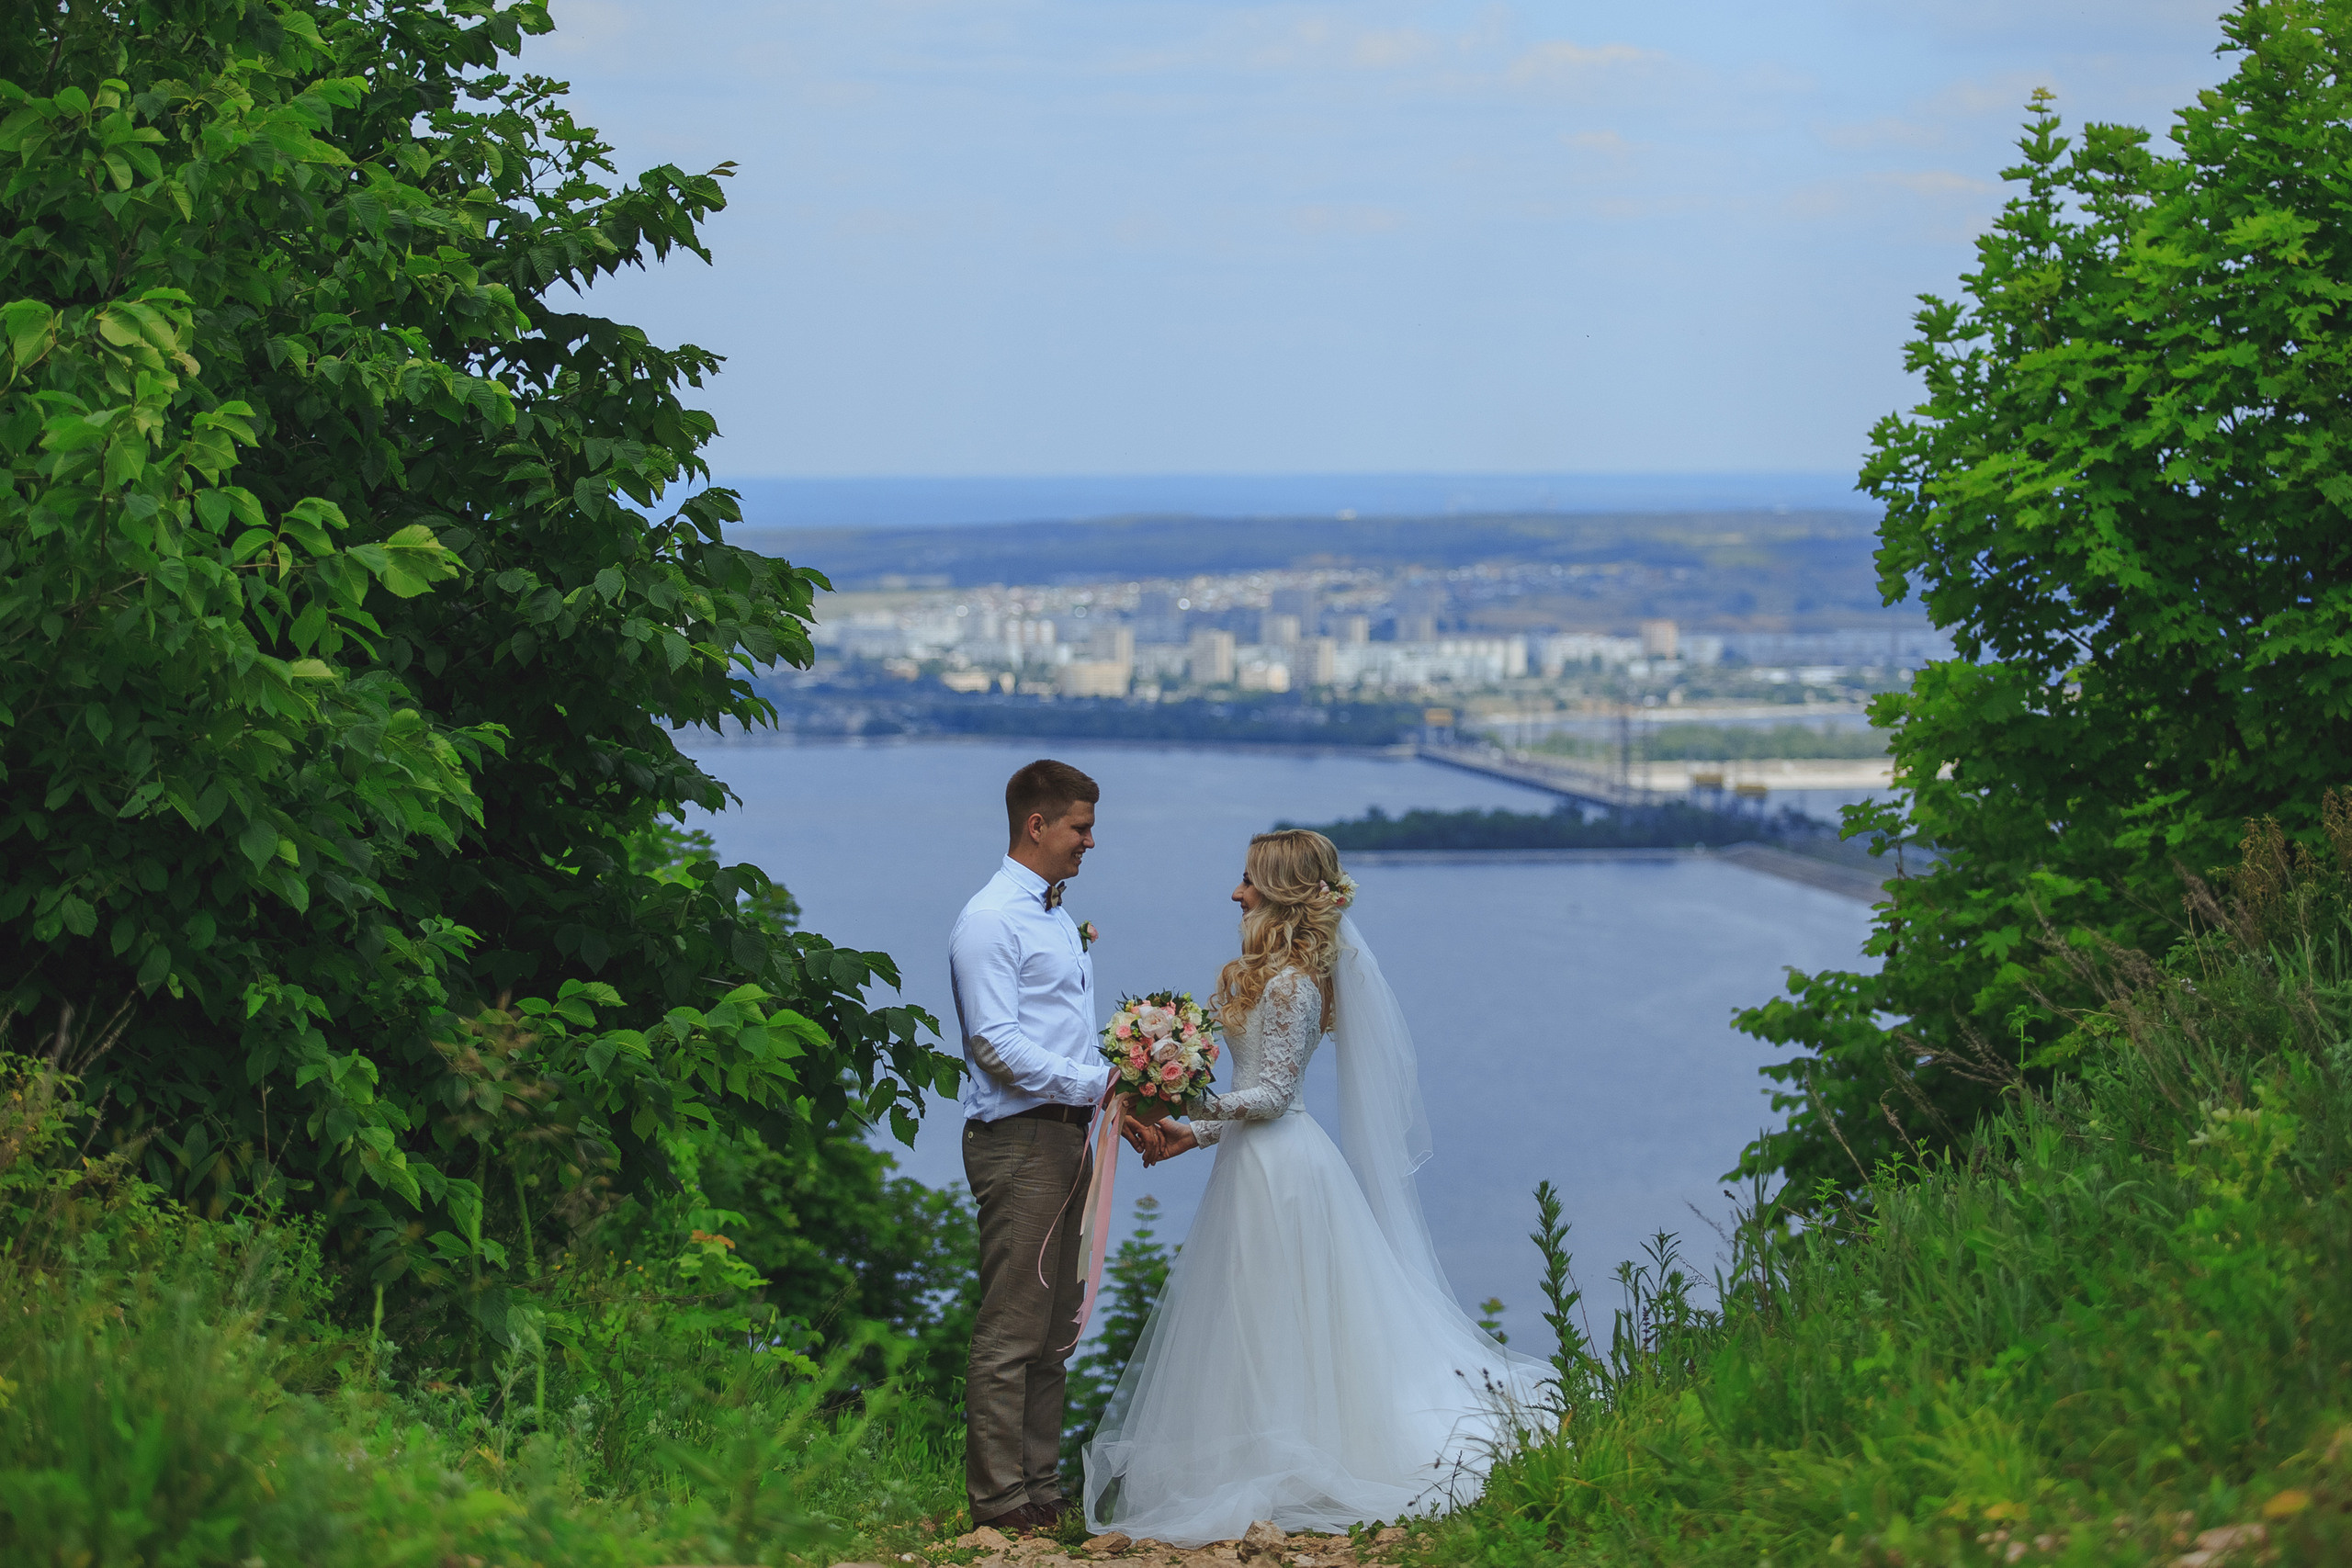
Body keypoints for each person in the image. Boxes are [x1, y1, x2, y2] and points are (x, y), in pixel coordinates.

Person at [1083, 829, 1551, 1545]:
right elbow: (1255, 1091)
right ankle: (1263, 1455)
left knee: (1276, 1310)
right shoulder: (1269, 976)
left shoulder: (1293, 984)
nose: (1236, 892)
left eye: (1248, 880)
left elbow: (1274, 1095)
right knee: (1251, 1313)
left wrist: (1186, 1100)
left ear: (1279, 892)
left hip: (1284, 1172)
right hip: (1252, 1162)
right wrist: (1190, 1134)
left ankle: (1292, 1464)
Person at [951, 758, 1139, 1537]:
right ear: (1038, 824)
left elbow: (1059, 1034)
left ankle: (1040, 1485)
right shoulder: (991, 919)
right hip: (1020, 1140)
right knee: (1013, 1326)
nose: (1090, 841)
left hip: (1067, 1134)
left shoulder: (1056, 916)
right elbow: (994, 1044)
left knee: (1056, 1325)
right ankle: (999, 1500)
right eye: (1080, 827)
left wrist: (1119, 1089)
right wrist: (1101, 1081)